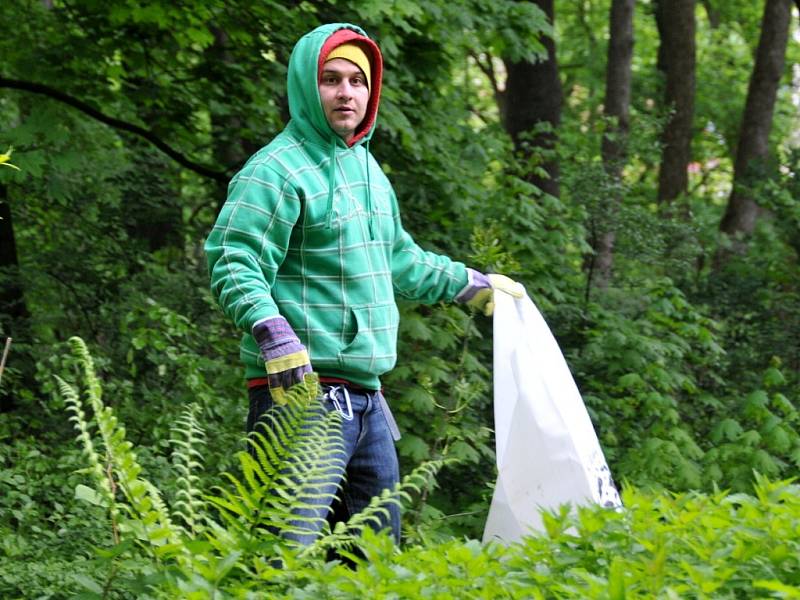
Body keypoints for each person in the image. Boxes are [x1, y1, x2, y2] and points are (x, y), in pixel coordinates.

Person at [205, 22, 521, 545]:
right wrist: (271, 331)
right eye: (331, 79)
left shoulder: (367, 168)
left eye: (358, 80)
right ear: (309, 86)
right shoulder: (275, 170)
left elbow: (397, 258)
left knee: (372, 561)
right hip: (301, 396)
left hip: (368, 398)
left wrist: (470, 283)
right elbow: (233, 258)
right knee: (287, 557)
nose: (347, 92)